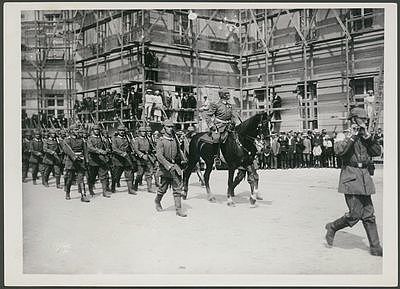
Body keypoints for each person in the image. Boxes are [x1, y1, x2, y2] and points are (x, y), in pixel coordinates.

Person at [325, 107, 382, 257]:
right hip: (350, 177)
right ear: (353, 119)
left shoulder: (365, 136)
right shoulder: (342, 134)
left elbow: (377, 152)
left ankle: (376, 247)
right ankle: (332, 227)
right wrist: (353, 135)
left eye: (366, 120)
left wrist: (367, 137)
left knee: (369, 214)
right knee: (355, 214)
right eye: (363, 119)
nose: (365, 122)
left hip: (364, 178)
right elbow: (340, 152)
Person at [154, 119, 187, 217]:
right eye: (168, 127)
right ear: (164, 128)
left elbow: (178, 152)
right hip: (165, 168)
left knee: (177, 188)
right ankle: (157, 201)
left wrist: (181, 160)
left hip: (175, 166)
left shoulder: (174, 139)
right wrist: (167, 165)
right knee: (162, 189)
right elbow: (159, 156)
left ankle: (178, 209)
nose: (170, 129)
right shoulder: (161, 141)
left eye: (171, 127)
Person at [203, 89, 237, 165]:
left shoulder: (229, 105)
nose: (228, 95)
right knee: (216, 137)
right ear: (222, 95)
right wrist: (212, 126)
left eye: (228, 93)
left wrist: (234, 122)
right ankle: (216, 156)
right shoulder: (215, 104)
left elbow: (233, 115)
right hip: (218, 126)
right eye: (227, 94)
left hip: (229, 126)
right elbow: (208, 115)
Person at [62, 125, 90, 202]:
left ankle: (83, 195)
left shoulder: (81, 140)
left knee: (81, 179)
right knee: (70, 179)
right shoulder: (67, 140)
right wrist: (74, 157)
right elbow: (67, 150)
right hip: (71, 162)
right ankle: (67, 192)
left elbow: (85, 151)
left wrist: (86, 160)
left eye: (78, 130)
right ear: (71, 131)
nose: (77, 131)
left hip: (80, 161)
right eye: (75, 130)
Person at [86, 124, 111, 198]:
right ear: (92, 131)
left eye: (98, 130)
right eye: (95, 130)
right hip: (93, 160)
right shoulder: (90, 139)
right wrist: (100, 151)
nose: (97, 131)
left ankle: (104, 191)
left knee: (103, 176)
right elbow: (90, 148)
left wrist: (106, 147)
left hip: (101, 160)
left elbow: (106, 147)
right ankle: (91, 190)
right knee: (92, 177)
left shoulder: (101, 138)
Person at [111, 124, 137, 195]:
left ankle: (130, 189)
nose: (122, 132)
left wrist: (133, 150)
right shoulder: (115, 139)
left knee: (129, 174)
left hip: (126, 158)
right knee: (116, 175)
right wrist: (121, 153)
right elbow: (114, 148)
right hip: (118, 159)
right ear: (118, 131)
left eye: (123, 130)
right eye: (120, 130)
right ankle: (113, 186)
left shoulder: (127, 138)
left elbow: (131, 146)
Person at [133, 126, 156, 193]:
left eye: (145, 132)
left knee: (149, 173)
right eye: (142, 132)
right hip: (140, 158)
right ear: (139, 132)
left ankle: (149, 188)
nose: (144, 133)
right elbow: (136, 149)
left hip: (148, 157)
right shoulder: (137, 140)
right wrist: (142, 155)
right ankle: (136, 184)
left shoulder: (147, 139)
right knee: (140, 173)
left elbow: (150, 148)